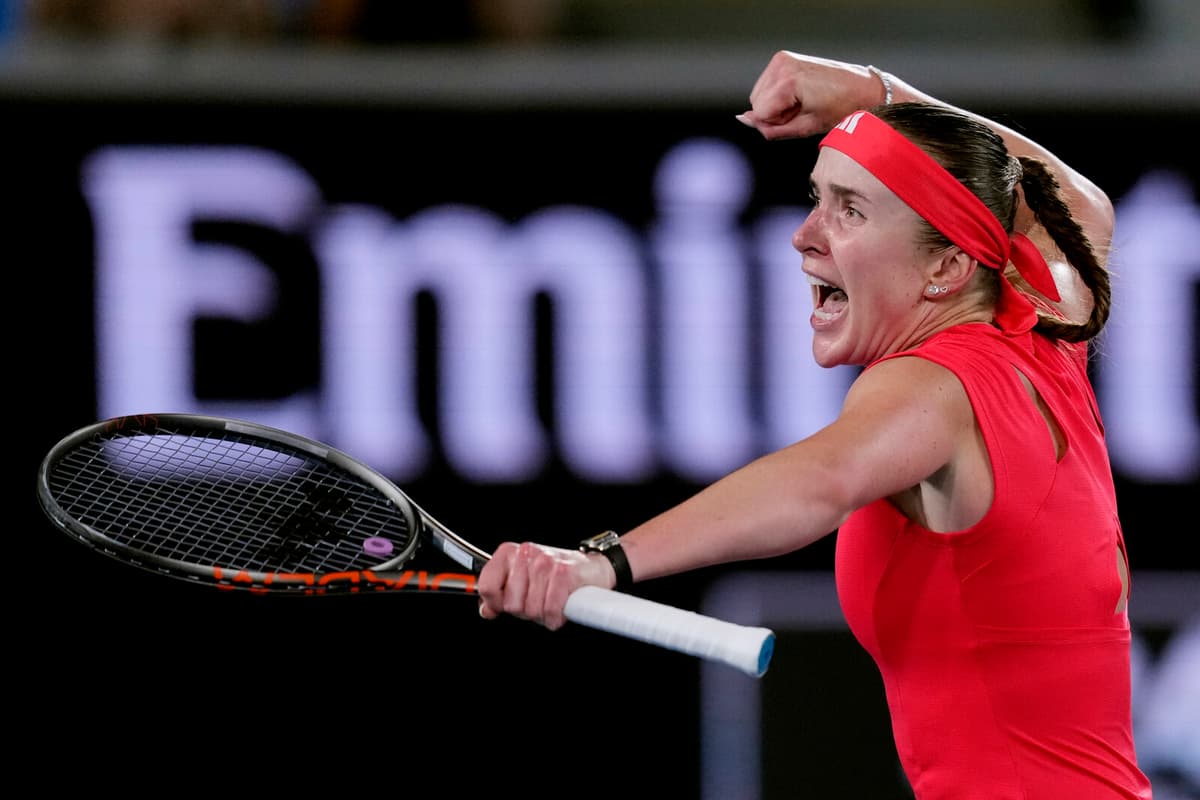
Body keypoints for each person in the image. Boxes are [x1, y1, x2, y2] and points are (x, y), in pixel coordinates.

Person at [476, 50, 1153, 799]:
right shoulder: (1044, 323)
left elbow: (818, 481)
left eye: (850, 210)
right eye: (817, 197)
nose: (804, 236)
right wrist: (873, 93)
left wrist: (602, 562)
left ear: (948, 267)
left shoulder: (934, 387)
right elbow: (1076, 201)